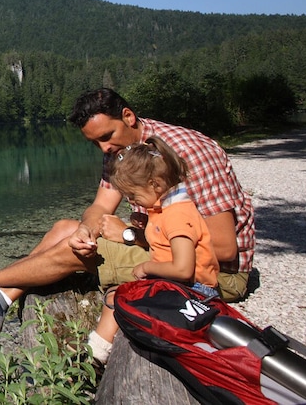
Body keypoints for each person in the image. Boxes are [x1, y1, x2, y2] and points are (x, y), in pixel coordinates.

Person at [0, 88, 254, 331]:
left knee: (76, 252)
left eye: (107, 137)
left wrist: (131, 235)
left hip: (211, 276)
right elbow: (100, 206)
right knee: (66, 230)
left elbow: (225, 248)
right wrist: (86, 229)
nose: (104, 149)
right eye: (95, 143)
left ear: (128, 117)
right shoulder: (122, 151)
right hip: (168, 249)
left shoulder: (186, 153)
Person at [86, 136, 219, 366]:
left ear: (155, 185)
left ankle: (95, 357)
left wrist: (147, 267)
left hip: (195, 292)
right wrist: (147, 226)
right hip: (180, 286)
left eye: (134, 195)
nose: (132, 200)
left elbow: (183, 269)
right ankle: (102, 348)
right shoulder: (166, 208)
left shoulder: (178, 215)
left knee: (118, 296)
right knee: (118, 293)